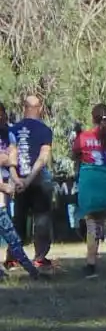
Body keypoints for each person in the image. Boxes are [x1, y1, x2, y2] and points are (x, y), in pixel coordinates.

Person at [72, 103, 106, 277]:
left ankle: (91, 264)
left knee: (92, 226)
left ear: (93, 118)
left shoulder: (82, 138)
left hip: (91, 185)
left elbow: (75, 156)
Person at [0, 102, 47, 282]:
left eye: (2, 114)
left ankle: (32, 271)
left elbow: (12, 162)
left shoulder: (10, 134)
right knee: (12, 234)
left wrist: (17, 180)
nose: (1, 118)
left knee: (12, 236)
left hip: (4, 192)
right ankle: (31, 271)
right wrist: (4, 186)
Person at [8, 93, 54, 270]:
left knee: (18, 219)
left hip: (18, 180)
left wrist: (17, 180)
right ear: (40, 109)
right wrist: (28, 180)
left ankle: (13, 257)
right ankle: (40, 257)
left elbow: (9, 158)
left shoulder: (13, 130)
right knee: (41, 219)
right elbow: (43, 158)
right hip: (38, 180)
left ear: (24, 108)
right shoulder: (45, 130)